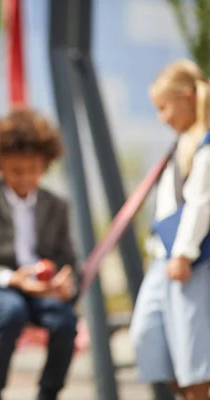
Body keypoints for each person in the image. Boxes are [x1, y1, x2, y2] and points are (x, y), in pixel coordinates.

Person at [0, 108, 79, 400]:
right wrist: (15, 279)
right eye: (16, 171)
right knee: (12, 312)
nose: (25, 178)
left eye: (33, 170)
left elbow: (68, 258)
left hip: (42, 289)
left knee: (65, 322)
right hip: (0, 285)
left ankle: (48, 394)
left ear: (44, 165)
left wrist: (66, 280)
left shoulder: (56, 205)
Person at [130, 60, 210, 400]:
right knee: (148, 339)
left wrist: (183, 252)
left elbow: (201, 202)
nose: (161, 118)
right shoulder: (180, 145)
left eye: (164, 107)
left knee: (193, 356)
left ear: (188, 97)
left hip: (187, 260)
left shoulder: (204, 144)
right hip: (163, 258)